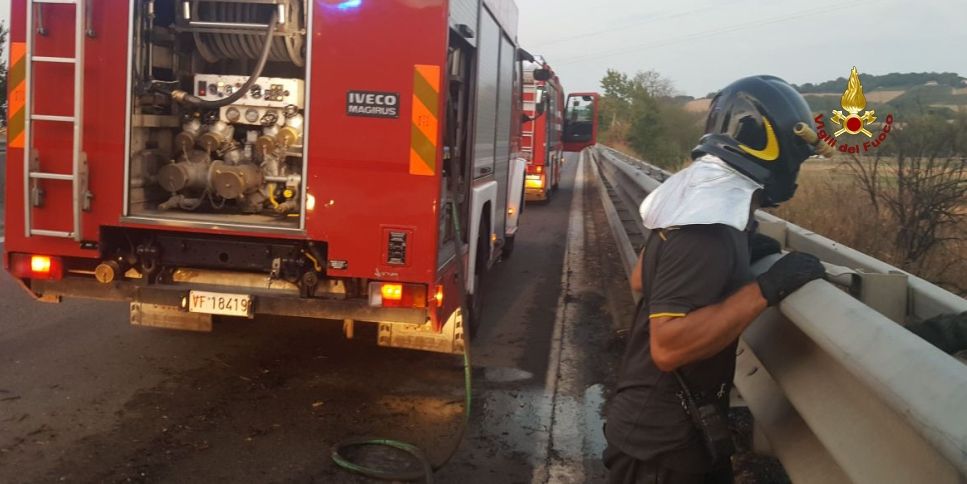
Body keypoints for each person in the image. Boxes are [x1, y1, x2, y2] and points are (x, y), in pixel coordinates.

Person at [603, 75, 830, 484]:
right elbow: (668, 348)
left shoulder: (693, 197)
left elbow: (641, 278)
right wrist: (764, 289)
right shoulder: (710, 224)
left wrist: (739, 257)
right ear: (773, 145)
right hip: (662, 447)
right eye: (797, 155)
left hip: (659, 431)